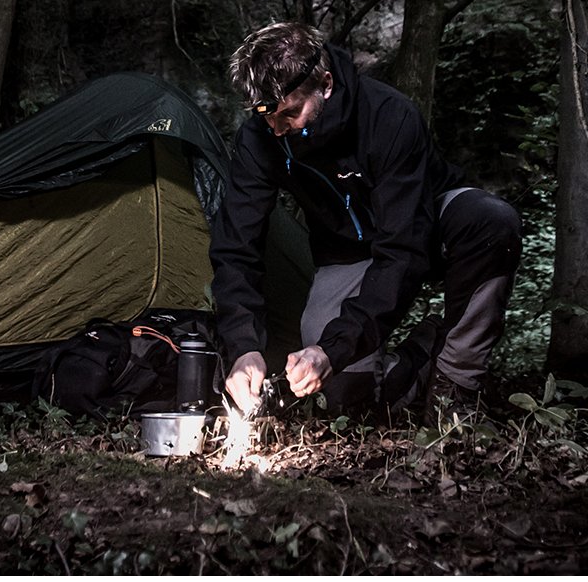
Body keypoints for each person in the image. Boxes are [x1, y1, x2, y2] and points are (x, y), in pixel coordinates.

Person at [209, 22, 522, 422]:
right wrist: (243, 346)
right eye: (267, 116)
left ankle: (455, 384)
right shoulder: (260, 139)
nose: (278, 129)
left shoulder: (388, 116)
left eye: (289, 113)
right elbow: (236, 245)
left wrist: (335, 347)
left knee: (492, 222)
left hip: (424, 226)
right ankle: (422, 354)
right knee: (340, 396)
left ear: (325, 84)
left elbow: (403, 250)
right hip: (346, 249)